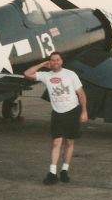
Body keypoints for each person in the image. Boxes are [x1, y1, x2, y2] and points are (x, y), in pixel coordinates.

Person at [24, 51, 88, 185]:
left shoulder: (71, 74)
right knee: (56, 143)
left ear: (62, 61)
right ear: (49, 62)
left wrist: (84, 112)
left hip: (72, 111)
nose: (55, 62)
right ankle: (52, 173)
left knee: (69, 143)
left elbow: (81, 94)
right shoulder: (46, 75)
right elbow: (27, 74)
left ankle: (64, 170)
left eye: (58, 60)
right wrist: (42, 64)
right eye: (52, 60)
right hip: (57, 113)